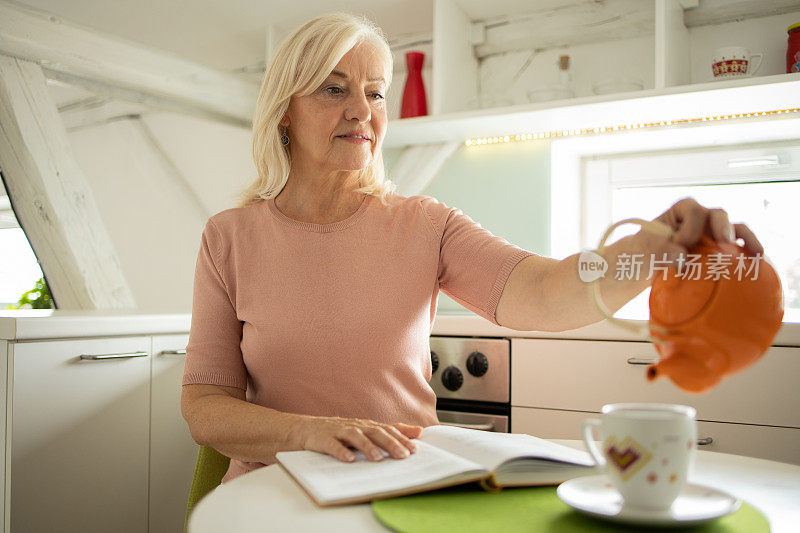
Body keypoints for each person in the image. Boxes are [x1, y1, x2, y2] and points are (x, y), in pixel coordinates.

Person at [180, 13, 764, 485]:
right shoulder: (229, 238)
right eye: (334, 89)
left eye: (376, 94)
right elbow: (205, 405)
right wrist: (309, 433)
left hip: (399, 481)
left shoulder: (425, 225)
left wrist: (656, 246)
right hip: (271, 489)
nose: (362, 111)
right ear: (284, 111)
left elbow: (548, 288)